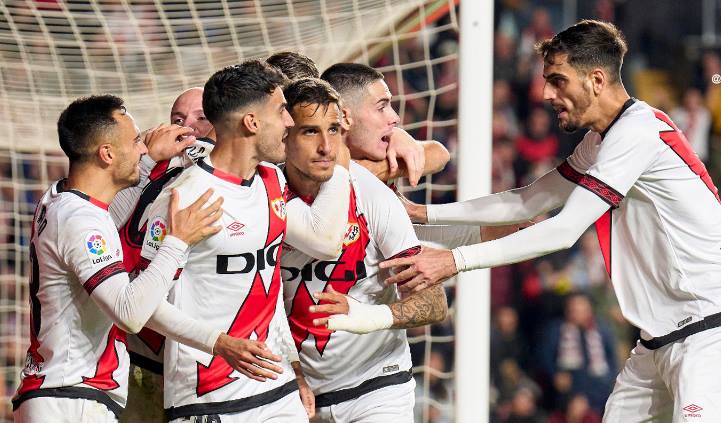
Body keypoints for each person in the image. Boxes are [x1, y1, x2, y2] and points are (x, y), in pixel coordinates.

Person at [384, 20, 721, 421]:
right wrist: (423, 214)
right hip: (657, 342)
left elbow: (563, 230)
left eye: (558, 81)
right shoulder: (602, 141)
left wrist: (453, 260)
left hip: (707, 335)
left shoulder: (637, 134)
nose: (547, 94)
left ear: (596, 79)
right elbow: (525, 201)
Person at [139, 60, 352, 422]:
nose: (289, 122)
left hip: (277, 386)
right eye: (281, 110)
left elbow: (266, 284)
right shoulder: (184, 197)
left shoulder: (272, 181)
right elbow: (143, 305)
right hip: (208, 396)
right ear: (251, 123)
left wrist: (295, 368)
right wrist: (219, 343)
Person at [11, 95, 239, 422]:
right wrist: (177, 241)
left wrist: (146, 166)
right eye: (136, 141)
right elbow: (129, 313)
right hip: (71, 397)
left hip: (63, 392)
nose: (144, 148)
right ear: (106, 153)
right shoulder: (82, 221)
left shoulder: (59, 197)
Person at [279, 77, 446, 423]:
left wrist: (367, 316)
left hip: (378, 387)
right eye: (310, 132)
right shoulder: (263, 195)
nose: (326, 146)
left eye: (334, 131)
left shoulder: (375, 197)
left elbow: (434, 302)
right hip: (294, 392)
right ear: (284, 136)